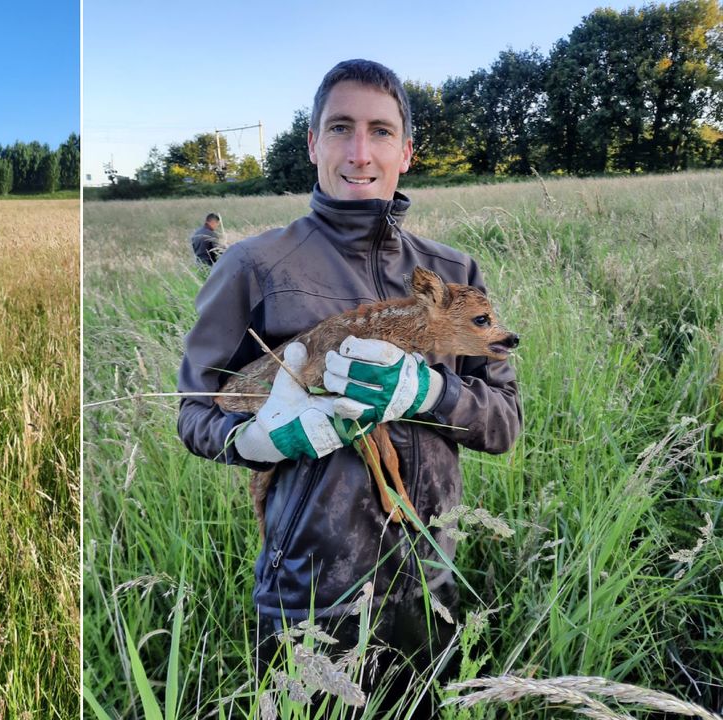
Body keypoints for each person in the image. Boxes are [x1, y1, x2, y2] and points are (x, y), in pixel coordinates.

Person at [176, 59, 521, 710]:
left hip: (430, 579)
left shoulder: (454, 273)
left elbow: (504, 422)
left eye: (381, 132)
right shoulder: (255, 266)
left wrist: (433, 394)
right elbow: (193, 412)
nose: (360, 153)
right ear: (313, 143)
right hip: (310, 595)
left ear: (407, 151)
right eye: (340, 128)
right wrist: (254, 440)